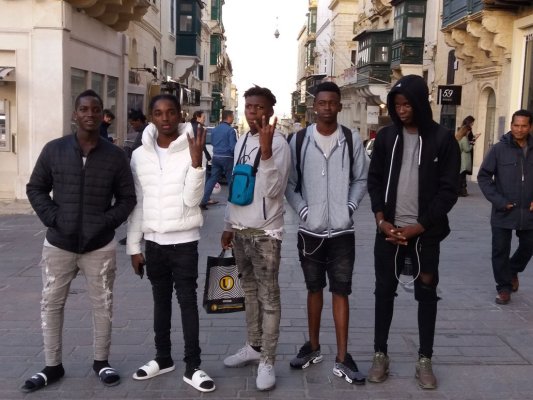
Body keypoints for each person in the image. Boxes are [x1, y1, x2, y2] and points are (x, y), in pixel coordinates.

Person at [23, 89, 136, 393]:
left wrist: (105, 222)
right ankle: (52, 365)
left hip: (100, 245)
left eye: (95, 109)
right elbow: (35, 188)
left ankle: (101, 362)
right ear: (75, 114)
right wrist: (55, 218)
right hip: (59, 243)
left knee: (103, 304)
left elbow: (127, 198)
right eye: (84, 109)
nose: (90, 114)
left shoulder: (115, 156)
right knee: (51, 304)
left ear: (102, 115)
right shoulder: (54, 150)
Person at [366, 75, 460, 390]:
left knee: (426, 294)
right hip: (388, 232)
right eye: (397, 105)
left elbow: (448, 191)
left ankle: (425, 359)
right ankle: (380, 354)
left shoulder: (443, 139)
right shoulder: (386, 137)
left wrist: (419, 226)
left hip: (425, 234)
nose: (402, 110)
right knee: (383, 292)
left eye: (407, 104)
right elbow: (374, 181)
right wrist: (381, 220)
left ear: (419, 103)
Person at [126, 94, 215, 393]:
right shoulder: (140, 155)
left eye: (171, 112)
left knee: (187, 303)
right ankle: (162, 358)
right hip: (154, 242)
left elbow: (192, 200)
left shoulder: (193, 147)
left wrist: (196, 164)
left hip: (184, 242)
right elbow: (138, 203)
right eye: (158, 113)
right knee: (160, 302)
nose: (165, 118)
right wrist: (134, 246)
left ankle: (193, 366)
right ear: (151, 117)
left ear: (180, 114)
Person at [284, 81, 369, 385]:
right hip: (311, 233)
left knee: (341, 291)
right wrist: (305, 212)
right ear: (314, 106)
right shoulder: (298, 140)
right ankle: (313, 347)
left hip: (343, 233)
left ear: (339, 106)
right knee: (314, 289)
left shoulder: (350, 138)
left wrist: (349, 206)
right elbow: (290, 185)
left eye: (332, 102)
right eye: (322, 103)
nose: (327, 108)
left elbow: (361, 178)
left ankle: (343, 358)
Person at [221, 86, 290, 391]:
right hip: (240, 230)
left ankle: (268, 360)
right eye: (249, 106)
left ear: (270, 111)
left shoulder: (279, 144)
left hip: (265, 233)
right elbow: (235, 185)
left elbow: (275, 191)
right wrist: (228, 223)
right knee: (249, 292)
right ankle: (253, 345)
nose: (252, 112)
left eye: (259, 107)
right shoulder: (240, 140)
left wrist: (266, 153)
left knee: (269, 297)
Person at [477, 109, 533, 305]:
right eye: (516, 125)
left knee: (529, 245)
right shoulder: (499, 149)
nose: (519, 129)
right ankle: (503, 287)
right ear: (511, 125)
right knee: (500, 249)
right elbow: (484, 177)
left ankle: (512, 270)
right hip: (504, 210)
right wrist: (499, 201)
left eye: (524, 126)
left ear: (530, 127)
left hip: (529, 211)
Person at [200, 110, 237, 209]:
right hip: (227, 157)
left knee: (212, 179)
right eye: (232, 116)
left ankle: (204, 200)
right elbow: (233, 147)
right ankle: (234, 201)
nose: (233, 118)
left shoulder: (215, 129)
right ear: (228, 117)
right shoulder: (231, 130)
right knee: (231, 179)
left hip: (216, 156)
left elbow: (212, 142)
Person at [455, 116, 480, 196]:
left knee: (461, 176)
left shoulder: (459, 137)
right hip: (464, 158)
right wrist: (473, 142)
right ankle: (461, 191)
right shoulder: (464, 138)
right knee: (462, 176)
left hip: (461, 157)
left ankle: (462, 190)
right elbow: (467, 149)